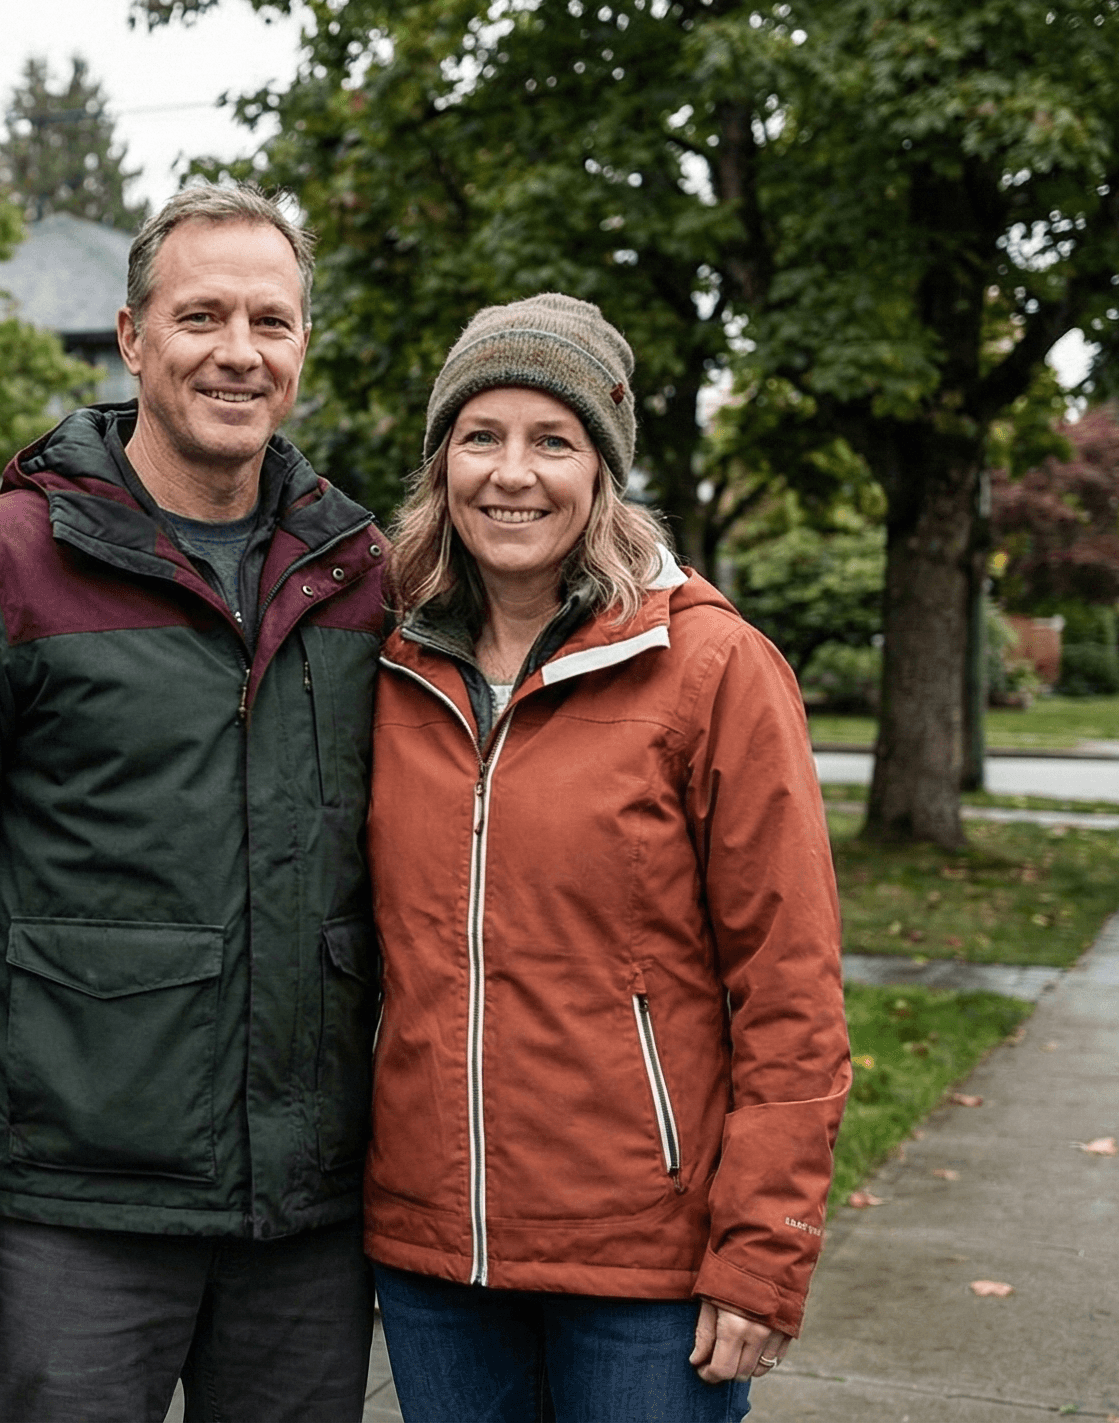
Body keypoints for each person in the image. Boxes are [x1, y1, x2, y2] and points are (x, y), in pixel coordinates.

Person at [0, 185, 387, 1423]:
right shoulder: (1, 565)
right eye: (202, 316)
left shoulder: (364, 576)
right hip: (69, 1211)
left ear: (302, 348)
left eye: (272, 322)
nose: (239, 353)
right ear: (133, 337)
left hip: (304, 1214)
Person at [363, 293, 851, 1422]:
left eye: (554, 440)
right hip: (436, 1254)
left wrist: (765, 1248)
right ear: (442, 465)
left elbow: (789, 983)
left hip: (644, 1264)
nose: (512, 473)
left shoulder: (711, 666)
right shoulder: (385, 663)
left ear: (604, 470)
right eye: (480, 437)